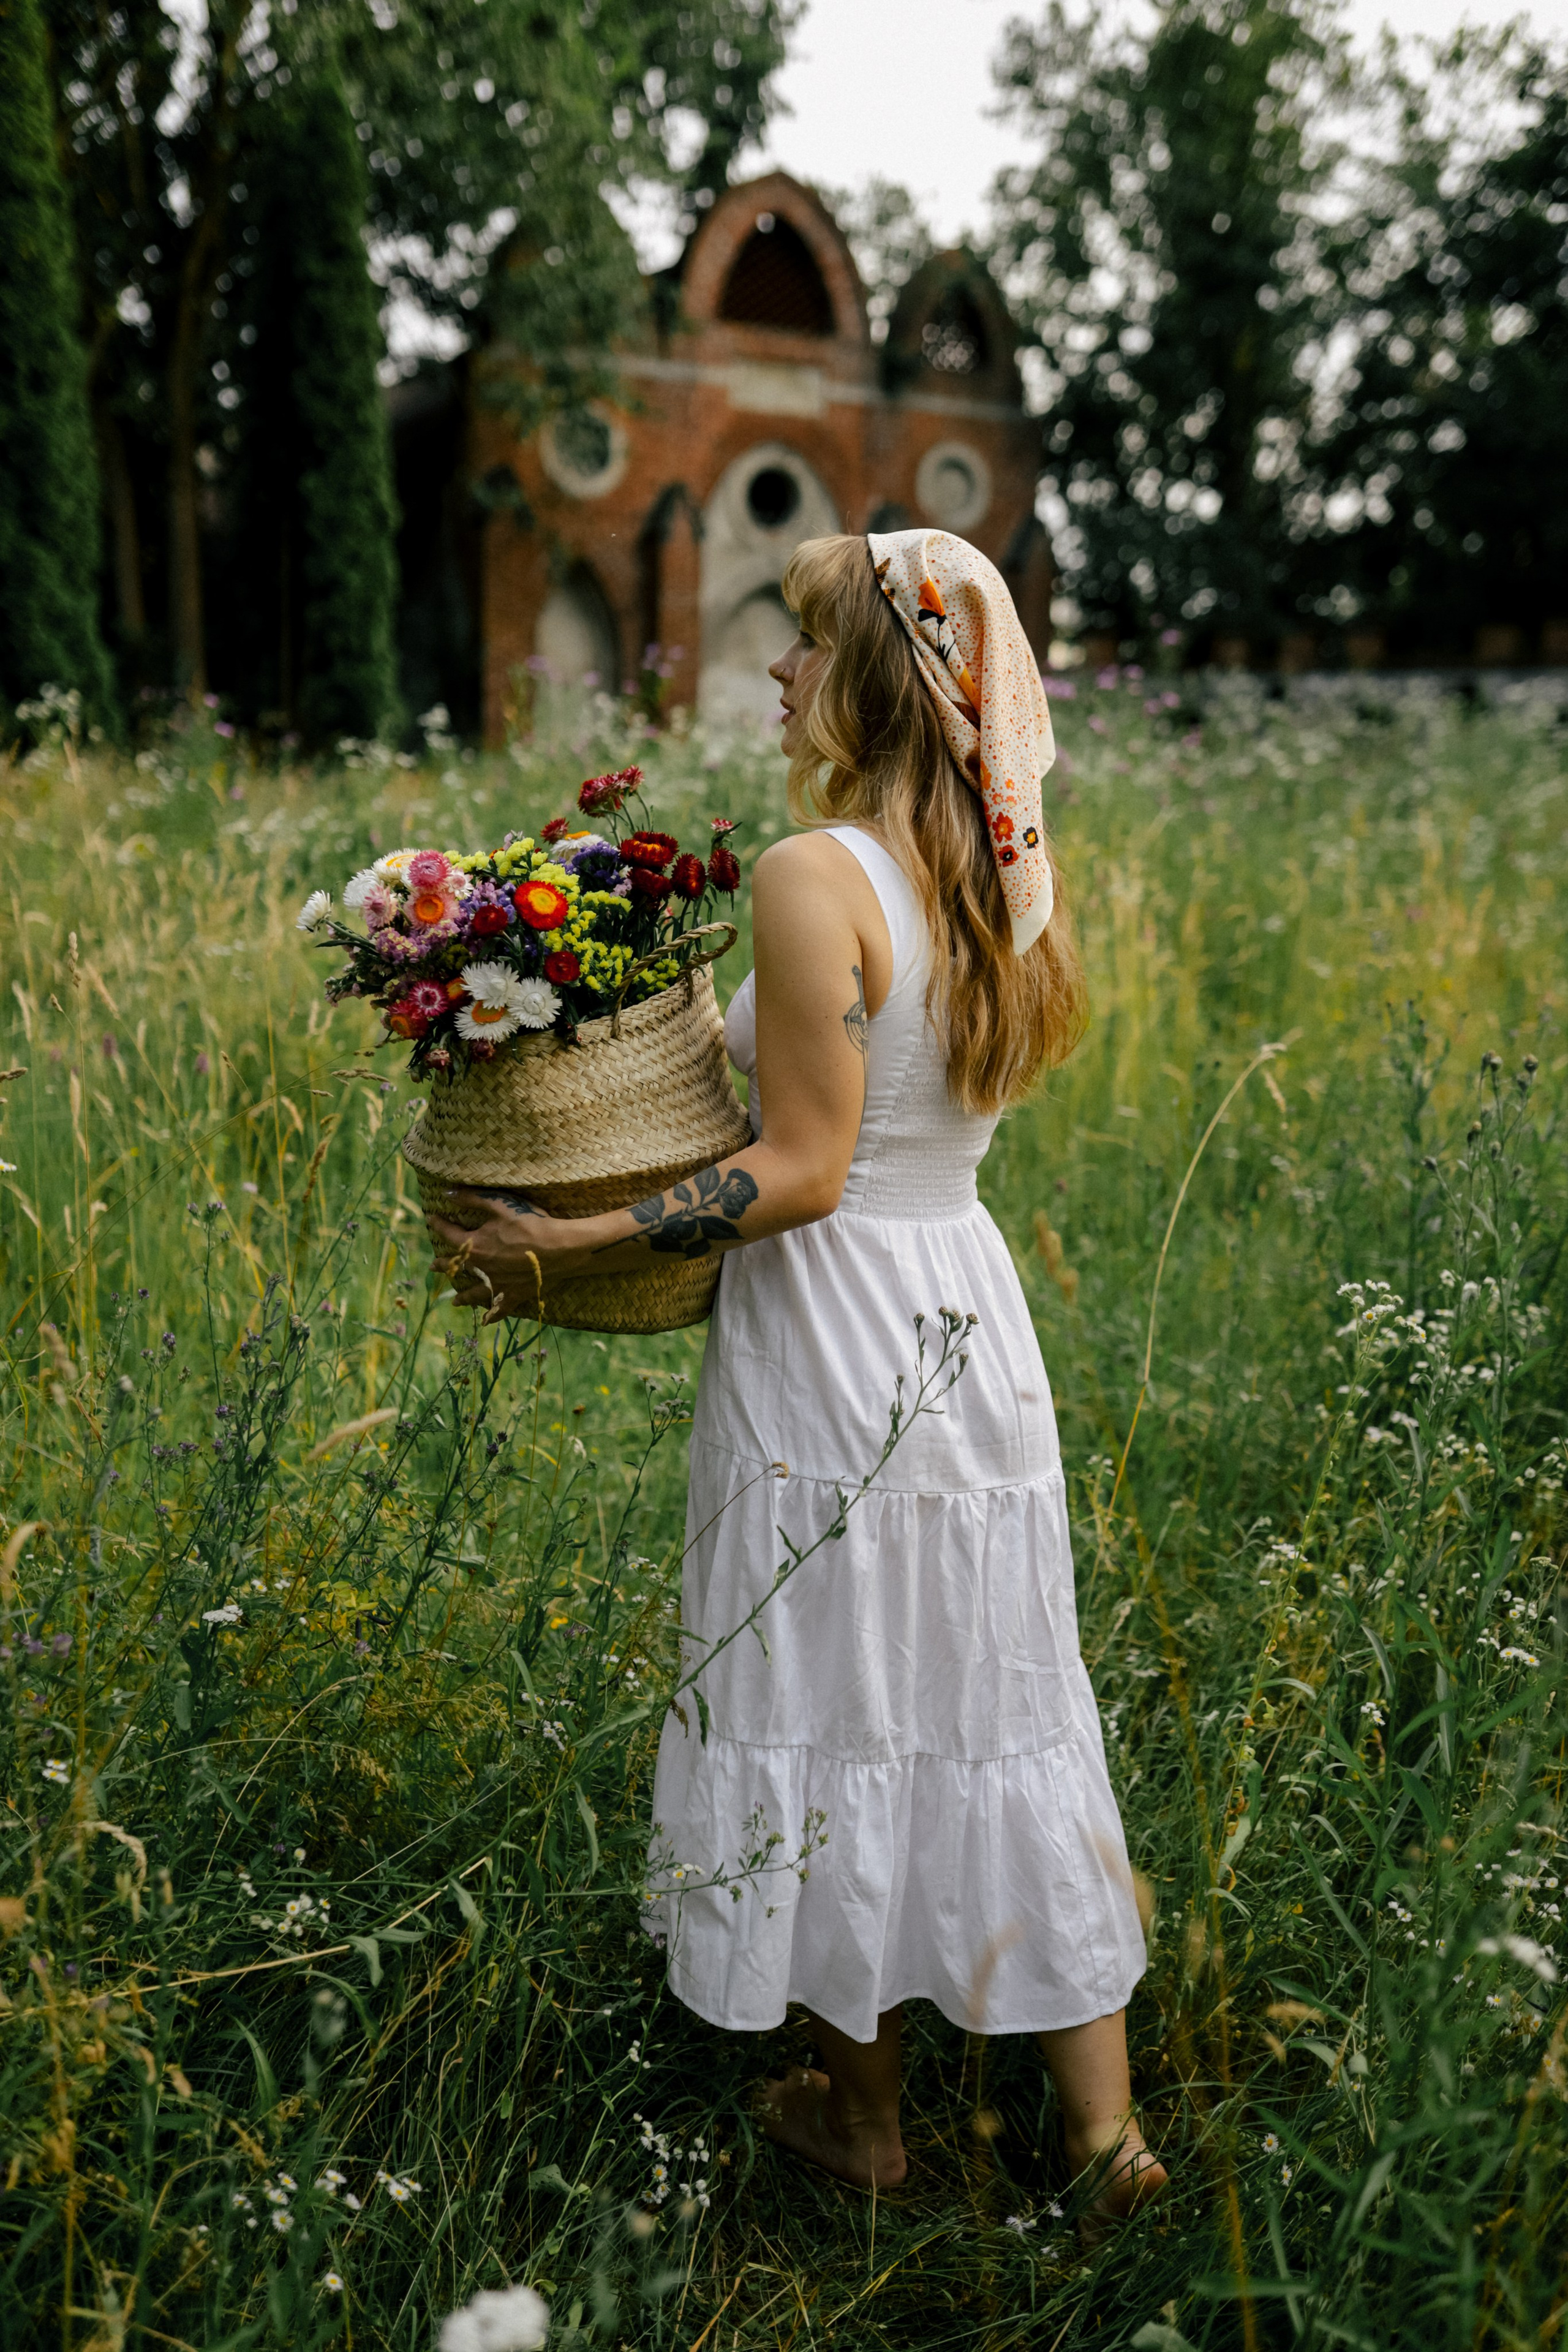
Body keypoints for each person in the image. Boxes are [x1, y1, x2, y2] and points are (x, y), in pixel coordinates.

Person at [431, 529, 1164, 2221]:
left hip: (834, 1323)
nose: (774, 669)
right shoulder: (1000, 871)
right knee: (997, 1697)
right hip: (967, 1309)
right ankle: (1106, 2138)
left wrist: (573, 1236)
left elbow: (807, 1168)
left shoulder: (818, 868)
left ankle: (863, 2123)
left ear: (872, 677)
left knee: (842, 1701)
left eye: (804, 640)